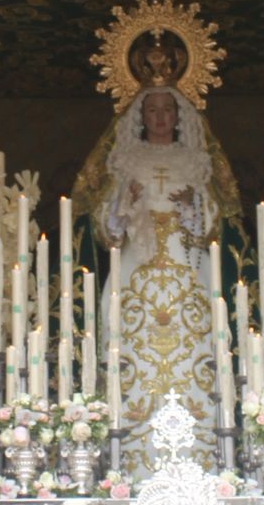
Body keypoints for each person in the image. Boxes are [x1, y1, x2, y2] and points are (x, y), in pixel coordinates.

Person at [73, 77, 239, 458]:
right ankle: (132, 450)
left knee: (193, 350)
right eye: (152, 110)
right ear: (141, 116)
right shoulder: (125, 159)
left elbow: (214, 225)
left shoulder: (195, 159)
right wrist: (123, 204)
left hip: (188, 270)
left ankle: (200, 447)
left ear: (179, 116)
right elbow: (106, 232)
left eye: (167, 110)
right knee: (134, 351)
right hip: (136, 269)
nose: (160, 117)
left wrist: (191, 207)